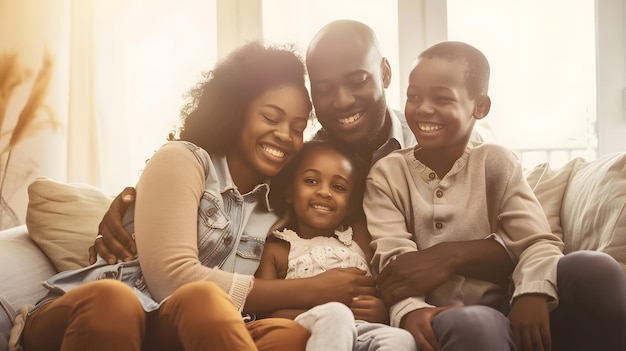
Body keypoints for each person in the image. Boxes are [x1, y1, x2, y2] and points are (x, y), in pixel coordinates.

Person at [89, 21, 513, 315]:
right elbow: (218, 190)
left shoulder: (438, 141)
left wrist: (446, 257)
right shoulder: (299, 164)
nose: (343, 101)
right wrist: (135, 198)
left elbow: (517, 233)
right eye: (325, 89)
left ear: (384, 73)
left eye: (358, 80)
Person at [13, 41, 364, 351]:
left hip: (180, 326)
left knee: (287, 335)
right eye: (271, 117)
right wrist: (312, 290)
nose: (285, 135)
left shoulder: (280, 206)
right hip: (100, 310)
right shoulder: (183, 159)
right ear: (236, 110)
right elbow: (174, 278)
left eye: (298, 127)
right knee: (123, 301)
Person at [363, 40, 626, 351]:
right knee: (476, 324)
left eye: (442, 98)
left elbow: (535, 239)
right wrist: (411, 311)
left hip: (510, 296)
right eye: (414, 96)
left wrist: (532, 293)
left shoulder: (496, 161)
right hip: (448, 313)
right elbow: (394, 262)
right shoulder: (387, 174)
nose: (423, 108)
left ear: (480, 107)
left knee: (597, 269)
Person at [255, 139, 417, 351]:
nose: (325, 192)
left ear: (350, 205)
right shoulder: (279, 248)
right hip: (302, 329)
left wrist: (380, 310)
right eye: (311, 181)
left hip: (359, 330)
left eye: (338, 187)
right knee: (336, 315)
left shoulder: (358, 239)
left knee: (401, 339)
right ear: (289, 193)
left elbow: (380, 287)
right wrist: (327, 309)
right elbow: (266, 312)